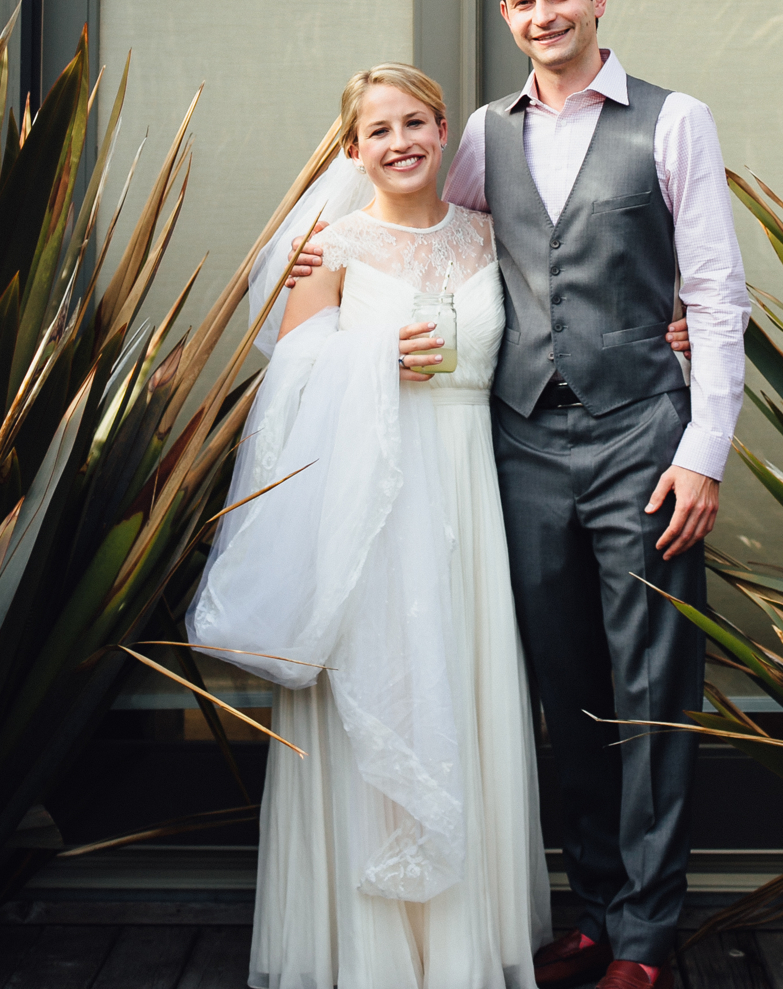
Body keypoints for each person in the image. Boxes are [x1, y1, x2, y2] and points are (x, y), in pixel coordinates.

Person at [188, 64, 552, 989]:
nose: (399, 143)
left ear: (444, 133)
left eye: (415, 123)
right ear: (352, 149)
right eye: (378, 131)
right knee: (385, 692)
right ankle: (372, 956)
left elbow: (562, 319)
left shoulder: (489, 236)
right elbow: (289, 385)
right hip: (375, 506)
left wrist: (670, 325)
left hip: (472, 499)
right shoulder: (330, 246)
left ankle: (461, 946)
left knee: (460, 691)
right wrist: (367, 356)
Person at [441, 0, 750, 989]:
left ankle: (648, 941)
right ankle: (594, 904)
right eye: (523, 1)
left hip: (641, 439)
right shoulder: (482, 132)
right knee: (560, 687)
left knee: (654, 687)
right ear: (506, 15)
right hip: (521, 436)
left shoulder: (674, 120)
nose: (543, 14)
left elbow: (713, 292)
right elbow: (444, 254)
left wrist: (704, 451)